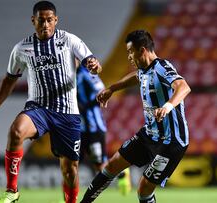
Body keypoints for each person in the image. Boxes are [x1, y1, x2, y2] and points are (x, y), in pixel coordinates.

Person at [0, 1, 102, 203]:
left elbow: (91, 61)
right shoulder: (21, 49)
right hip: (39, 109)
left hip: (67, 113)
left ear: (56, 20)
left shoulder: (70, 40)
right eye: (41, 20)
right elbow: (10, 79)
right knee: (16, 131)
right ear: (33, 21)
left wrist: (95, 66)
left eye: (49, 20)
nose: (45, 24)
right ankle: (12, 191)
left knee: (70, 169)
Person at [79, 30, 191, 203]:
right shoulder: (144, 70)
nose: (129, 57)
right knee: (111, 166)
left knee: (144, 188)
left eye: (130, 51)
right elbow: (136, 77)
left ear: (142, 50)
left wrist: (167, 106)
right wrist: (112, 89)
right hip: (150, 134)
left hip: (171, 141)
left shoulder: (162, 67)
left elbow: (183, 87)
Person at [76, 64, 131, 194]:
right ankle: (67, 199)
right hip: (76, 128)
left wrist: (84, 104)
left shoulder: (86, 74)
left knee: (99, 165)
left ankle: (121, 174)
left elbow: (101, 91)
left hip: (93, 127)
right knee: (68, 163)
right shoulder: (66, 74)